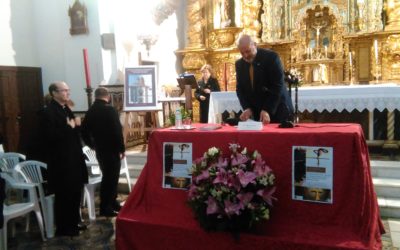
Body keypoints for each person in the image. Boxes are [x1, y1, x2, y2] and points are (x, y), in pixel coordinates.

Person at [38, 81, 88, 237]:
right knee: (64, 195)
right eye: (64, 90)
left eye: (68, 90)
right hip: (61, 162)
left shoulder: (65, 108)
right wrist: (69, 127)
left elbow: (72, 133)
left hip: (73, 159)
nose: (68, 93)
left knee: (74, 194)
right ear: (54, 93)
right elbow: (49, 137)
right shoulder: (48, 112)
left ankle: (73, 223)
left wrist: (77, 126)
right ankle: (64, 227)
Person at [81, 87, 125, 217]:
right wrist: (121, 148)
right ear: (108, 97)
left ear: (95, 96)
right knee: (110, 178)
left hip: (100, 149)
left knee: (108, 176)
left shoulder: (90, 111)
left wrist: (92, 145)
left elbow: (83, 131)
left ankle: (112, 201)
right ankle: (105, 207)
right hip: (112, 149)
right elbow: (117, 131)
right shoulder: (110, 110)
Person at [235, 34, 294, 124]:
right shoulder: (239, 64)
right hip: (257, 112)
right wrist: (247, 108)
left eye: (248, 51)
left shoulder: (271, 58)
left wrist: (267, 109)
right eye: (242, 53)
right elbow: (240, 89)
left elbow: (277, 86)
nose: (245, 56)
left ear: (255, 45)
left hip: (278, 109)